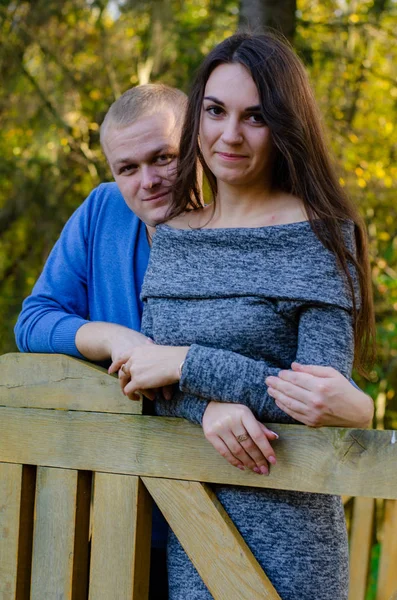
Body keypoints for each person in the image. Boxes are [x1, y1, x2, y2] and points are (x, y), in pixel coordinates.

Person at [117, 33, 376, 599]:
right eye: (214, 111)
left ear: (285, 127)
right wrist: (205, 406)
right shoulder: (174, 237)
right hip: (193, 520)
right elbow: (152, 383)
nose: (228, 135)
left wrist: (188, 363)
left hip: (291, 530)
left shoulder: (321, 237)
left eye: (255, 117)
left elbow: (312, 397)